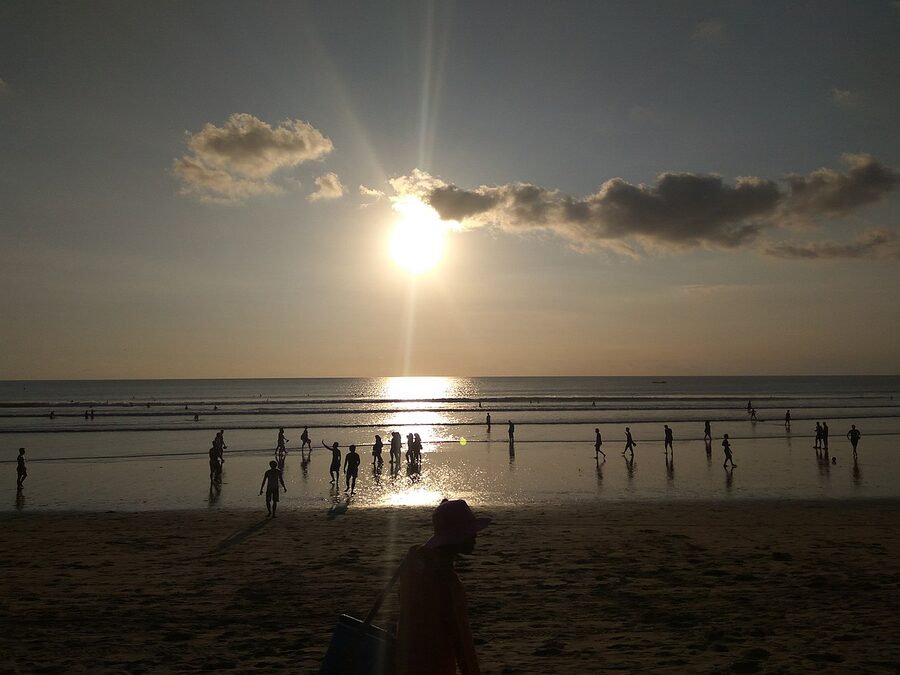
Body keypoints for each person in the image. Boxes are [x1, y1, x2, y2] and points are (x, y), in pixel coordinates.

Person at [397, 499, 490, 675]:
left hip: (407, 659)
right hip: (434, 664)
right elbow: (460, 634)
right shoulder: (443, 577)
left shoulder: (415, 564)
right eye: (470, 533)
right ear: (457, 536)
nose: (475, 536)